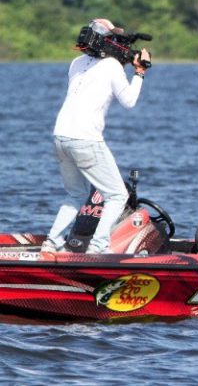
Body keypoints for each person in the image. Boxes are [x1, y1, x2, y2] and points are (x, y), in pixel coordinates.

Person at [42, 18, 152, 254]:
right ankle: (99, 247)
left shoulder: (76, 62)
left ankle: (51, 242)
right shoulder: (112, 67)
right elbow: (129, 101)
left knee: (76, 193)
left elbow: (99, 77)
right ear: (107, 40)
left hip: (60, 136)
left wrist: (122, 61)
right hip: (85, 138)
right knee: (118, 195)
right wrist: (140, 72)